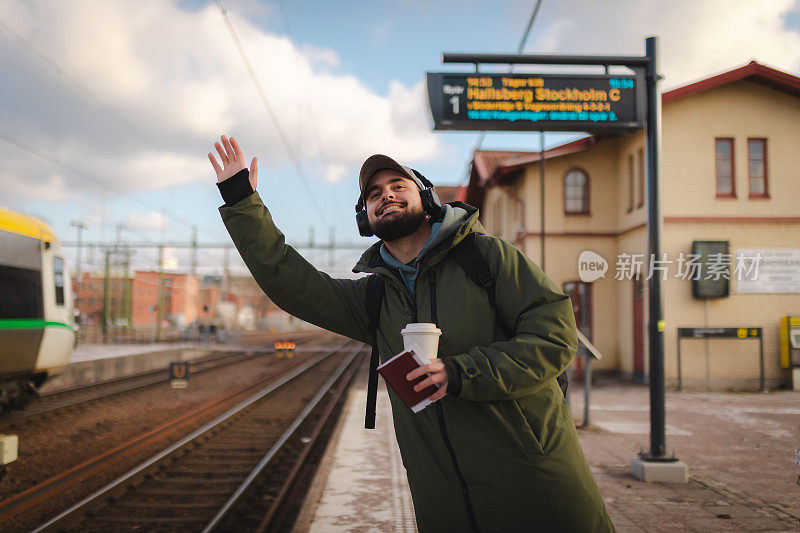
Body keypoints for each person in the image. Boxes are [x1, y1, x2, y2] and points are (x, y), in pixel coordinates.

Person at [209, 135, 614, 532]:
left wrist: (460, 373)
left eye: (397, 185)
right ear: (364, 218)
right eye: (373, 194)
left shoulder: (487, 257)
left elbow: (555, 335)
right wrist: (241, 200)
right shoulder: (374, 298)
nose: (385, 194)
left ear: (428, 200)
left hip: (532, 482)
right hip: (444, 498)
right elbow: (291, 281)